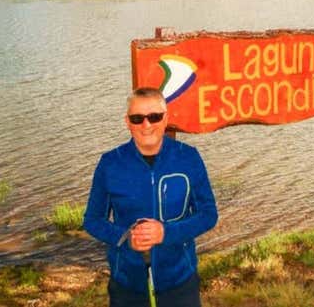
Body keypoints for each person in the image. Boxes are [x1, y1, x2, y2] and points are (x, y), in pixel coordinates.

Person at [84, 87, 218, 307]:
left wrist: (166, 232)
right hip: (127, 286)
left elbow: (208, 214)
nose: (146, 125)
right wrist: (127, 239)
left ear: (165, 119)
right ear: (127, 122)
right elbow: (92, 220)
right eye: (137, 119)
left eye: (154, 117)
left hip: (180, 282)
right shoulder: (110, 164)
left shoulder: (188, 158)